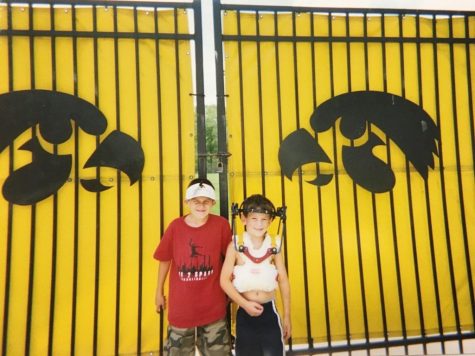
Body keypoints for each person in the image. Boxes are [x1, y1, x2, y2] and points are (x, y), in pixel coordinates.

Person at [154, 178, 232, 355]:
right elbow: (164, 259)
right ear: (187, 202)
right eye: (196, 201)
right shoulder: (175, 227)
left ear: (213, 202)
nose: (201, 205)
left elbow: (231, 257)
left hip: (213, 306)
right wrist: (158, 291)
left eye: (206, 201)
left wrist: (233, 289)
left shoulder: (221, 225)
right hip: (181, 308)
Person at [220, 194, 291, 356]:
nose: (259, 224)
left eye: (264, 219)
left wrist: (287, 316)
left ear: (271, 221)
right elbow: (224, 280)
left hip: (269, 312)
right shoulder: (236, 246)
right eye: (254, 219)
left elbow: (283, 280)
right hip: (244, 313)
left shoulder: (274, 246)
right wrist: (244, 304)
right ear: (243, 219)